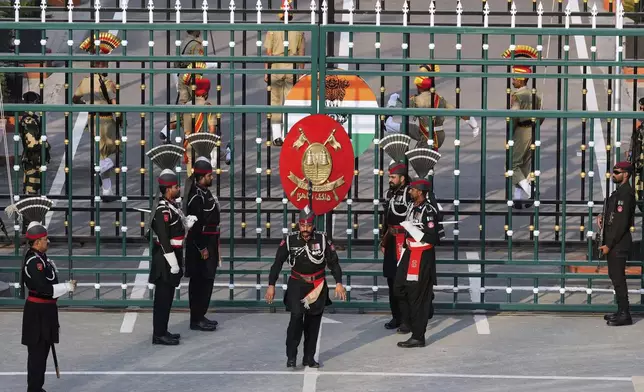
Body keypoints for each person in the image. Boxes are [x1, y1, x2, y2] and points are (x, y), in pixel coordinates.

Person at [265, 207, 346, 368]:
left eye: (308, 226)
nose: (305, 229)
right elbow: (277, 264)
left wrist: (338, 282)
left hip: (317, 285)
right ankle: (291, 356)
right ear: (298, 225)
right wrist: (271, 285)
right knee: (295, 319)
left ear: (313, 225)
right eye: (302, 226)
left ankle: (309, 358)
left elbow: (333, 263)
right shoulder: (290, 240)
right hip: (297, 284)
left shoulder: (322, 239)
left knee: (313, 323)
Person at [19, 197, 77, 392]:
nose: (48, 241)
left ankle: (38, 387)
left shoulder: (42, 258)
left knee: (43, 352)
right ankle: (33, 389)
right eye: (44, 239)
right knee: (36, 354)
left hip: (47, 311)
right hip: (37, 313)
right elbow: (43, 288)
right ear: (36, 242)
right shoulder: (32, 263)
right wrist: (67, 287)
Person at [147, 165, 197, 345]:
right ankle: (158, 334)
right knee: (162, 299)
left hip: (173, 255)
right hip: (165, 260)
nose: (178, 189)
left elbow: (176, 231)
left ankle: (163, 329)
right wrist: (173, 264)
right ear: (168, 189)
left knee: (167, 298)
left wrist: (186, 226)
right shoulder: (162, 211)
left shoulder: (171, 207)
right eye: (176, 187)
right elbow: (163, 239)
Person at [394, 177, 442, 348]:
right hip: (409, 252)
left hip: (421, 256)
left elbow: (433, 237)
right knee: (398, 287)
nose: (410, 191)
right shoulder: (411, 206)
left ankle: (418, 335)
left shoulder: (428, 211)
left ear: (420, 192)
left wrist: (412, 229)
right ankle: (418, 314)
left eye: (413, 189)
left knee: (416, 295)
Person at [384, 64, 479, 150]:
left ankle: (387, 125)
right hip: (439, 135)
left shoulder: (417, 100)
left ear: (419, 86)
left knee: (419, 160)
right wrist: (473, 123)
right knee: (410, 127)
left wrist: (392, 100)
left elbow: (401, 106)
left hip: (426, 136)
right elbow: (456, 111)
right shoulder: (439, 99)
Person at [73, 32, 121, 197]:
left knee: (101, 153)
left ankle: (107, 189)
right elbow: (115, 104)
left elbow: (75, 99)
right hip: (106, 120)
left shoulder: (84, 82)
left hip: (92, 120)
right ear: (100, 64)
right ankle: (103, 177)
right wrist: (120, 119)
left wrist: (85, 104)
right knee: (110, 151)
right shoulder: (108, 84)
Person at [501, 45, 544, 207]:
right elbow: (542, 115)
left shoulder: (517, 95)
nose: (512, 80)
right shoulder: (535, 95)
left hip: (520, 131)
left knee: (512, 164)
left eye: (514, 77)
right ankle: (518, 198)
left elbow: (513, 116)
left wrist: (510, 132)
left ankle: (530, 190)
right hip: (533, 130)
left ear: (520, 79)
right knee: (524, 164)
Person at [184, 156, 221, 331]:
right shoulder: (195, 196)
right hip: (201, 244)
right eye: (209, 176)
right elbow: (195, 226)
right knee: (200, 282)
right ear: (201, 177)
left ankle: (201, 315)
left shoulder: (204, 192)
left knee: (207, 281)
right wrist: (202, 247)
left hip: (211, 241)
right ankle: (196, 318)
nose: (212, 178)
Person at [597, 161, 636, 326]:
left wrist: (609, 245)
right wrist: (602, 215)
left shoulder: (626, 194)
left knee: (618, 278)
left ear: (626, 174)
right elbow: (612, 212)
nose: (613, 175)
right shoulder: (619, 193)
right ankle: (621, 310)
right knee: (615, 276)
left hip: (618, 244)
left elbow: (620, 224)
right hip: (614, 243)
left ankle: (625, 314)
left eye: (617, 172)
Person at [264, 0, 306, 146]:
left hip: (276, 67)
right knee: (290, 101)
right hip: (292, 68)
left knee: (275, 102)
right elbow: (302, 53)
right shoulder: (299, 31)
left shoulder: (272, 30)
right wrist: (300, 71)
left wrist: (266, 71)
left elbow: (268, 53)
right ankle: (287, 133)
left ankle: (276, 135)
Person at [379, 161, 412, 332]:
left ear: (403, 178)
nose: (390, 180)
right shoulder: (391, 193)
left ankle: (407, 319)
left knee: (404, 282)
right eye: (389, 177)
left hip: (405, 242)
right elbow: (386, 217)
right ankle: (396, 316)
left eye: (393, 177)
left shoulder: (409, 193)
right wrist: (383, 239)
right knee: (391, 280)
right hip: (391, 240)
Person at [19, 92, 51, 195]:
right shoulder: (30, 121)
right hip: (32, 159)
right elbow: (32, 144)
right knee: (31, 187)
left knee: (34, 186)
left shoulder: (30, 119)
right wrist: (45, 144)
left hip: (33, 159)